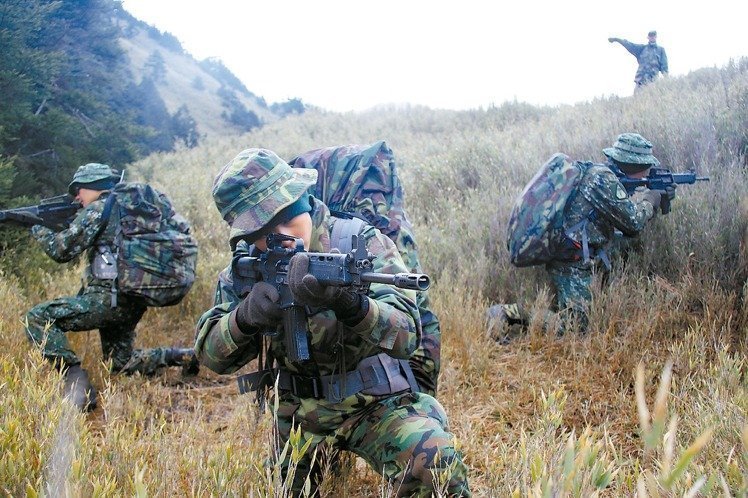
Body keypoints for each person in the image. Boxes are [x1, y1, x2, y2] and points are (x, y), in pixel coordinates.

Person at [195, 148, 470, 497]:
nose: (285, 236)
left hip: (375, 403)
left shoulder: (359, 242)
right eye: (264, 230)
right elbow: (210, 356)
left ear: (304, 200)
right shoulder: (247, 267)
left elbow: (407, 335)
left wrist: (350, 305)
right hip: (299, 413)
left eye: (288, 216)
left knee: (434, 462)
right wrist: (244, 318)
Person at [24, 163, 197, 412]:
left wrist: (38, 227)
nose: (76, 196)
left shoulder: (98, 209)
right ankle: (182, 355)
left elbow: (61, 250)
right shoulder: (126, 210)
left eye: (79, 190)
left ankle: (77, 383)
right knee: (121, 363)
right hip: (131, 298)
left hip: (109, 300)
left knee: (38, 318)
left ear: (94, 187)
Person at [488, 133, 663, 338]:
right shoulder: (602, 180)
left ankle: (556, 307)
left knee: (582, 312)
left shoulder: (599, 174)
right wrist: (651, 199)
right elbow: (633, 223)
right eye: (645, 168)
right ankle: (507, 313)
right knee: (576, 328)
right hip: (573, 263)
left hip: (575, 256)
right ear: (634, 165)